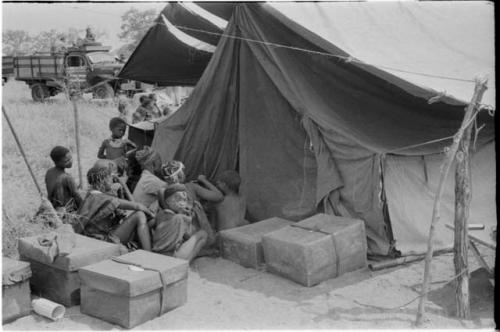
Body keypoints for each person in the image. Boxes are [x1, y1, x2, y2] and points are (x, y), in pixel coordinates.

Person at [77, 165, 154, 250]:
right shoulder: (103, 198)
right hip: (103, 240)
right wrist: (153, 215)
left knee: (143, 221)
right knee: (140, 215)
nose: (112, 180)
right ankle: (148, 253)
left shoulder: (91, 195)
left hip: (93, 237)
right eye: (110, 177)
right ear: (104, 180)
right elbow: (137, 205)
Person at [161, 160, 221, 245]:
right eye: (183, 172)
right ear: (180, 175)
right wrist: (204, 180)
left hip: (176, 235)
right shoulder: (190, 187)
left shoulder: (163, 191)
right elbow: (218, 196)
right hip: (194, 232)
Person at [152, 185, 210, 262]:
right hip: (171, 256)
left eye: (184, 200)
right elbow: (189, 235)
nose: (183, 203)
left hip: (157, 255)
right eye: (178, 199)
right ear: (168, 202)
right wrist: (193, 215)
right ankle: (185, 264)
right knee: (203, 234)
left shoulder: (160, 214)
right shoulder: (180, 218)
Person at [45, 146, 82, 212]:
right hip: (66, 210)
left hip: (53, 207)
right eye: (66, 161)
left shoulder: (49, 172)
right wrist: (83, 209)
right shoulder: (67, 177)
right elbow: (77, 196)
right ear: (57, 162)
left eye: (70, 158)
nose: (70, 162)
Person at [132, 146, 167, 213]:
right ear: (154, 163)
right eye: (159, 161)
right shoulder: (150, 180)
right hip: (138, 216)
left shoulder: (146, 176)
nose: (161, 164)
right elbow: (171, 189)